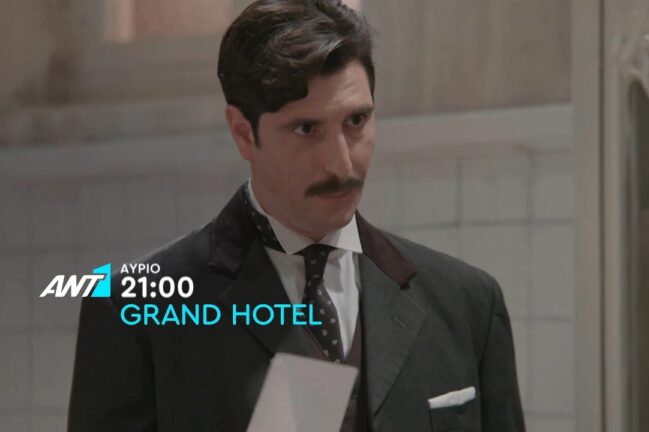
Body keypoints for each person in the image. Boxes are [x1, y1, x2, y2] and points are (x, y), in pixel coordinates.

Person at [67, 1, 526, 431]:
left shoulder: (468, 303)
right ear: (243, 133)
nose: (341, 165)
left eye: (356, 122)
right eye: (307, 129)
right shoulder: (132, 310)